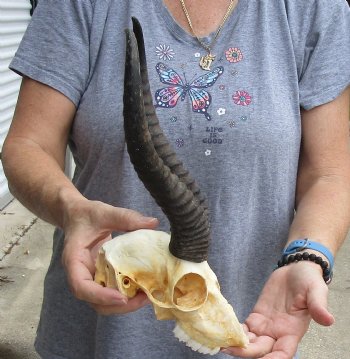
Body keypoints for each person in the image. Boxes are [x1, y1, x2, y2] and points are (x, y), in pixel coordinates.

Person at [2, 0, 350, 358]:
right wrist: (70, 209)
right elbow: (28, 145)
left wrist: (308, 255)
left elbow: (329, 173)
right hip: (98, 335)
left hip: (252, 331)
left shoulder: (313, 8)